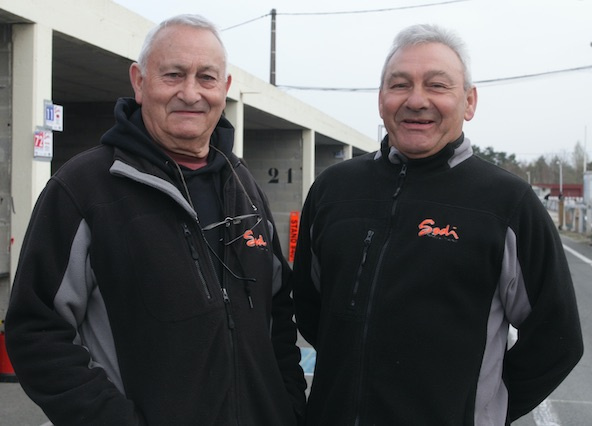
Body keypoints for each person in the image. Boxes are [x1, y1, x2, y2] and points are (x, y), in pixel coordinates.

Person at [6, 14, 305, 426]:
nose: (191, 92)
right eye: (173, 74)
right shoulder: (82, 189)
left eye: (206, 77)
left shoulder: (244, 186)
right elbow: (36, 332)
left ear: (225, 89)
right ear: (139, 81)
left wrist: (287, 408)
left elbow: (278, 316)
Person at [292, 23, 583, 425]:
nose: (416, 100)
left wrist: (479, 410)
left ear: (469, 102)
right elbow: (310, 309)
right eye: (400, 85)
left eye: (437, 85)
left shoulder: (507, 202)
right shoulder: (333, 190)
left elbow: (557, 339)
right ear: (381, 100)